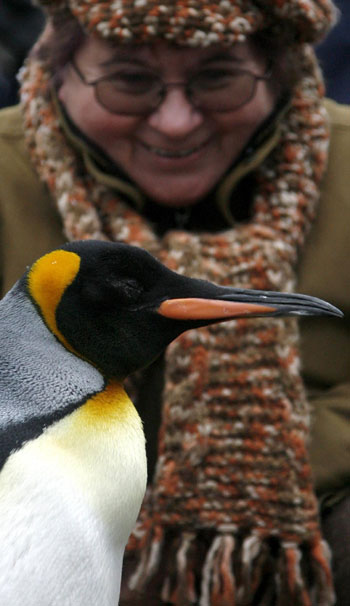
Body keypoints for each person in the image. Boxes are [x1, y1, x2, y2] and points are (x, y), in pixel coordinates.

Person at [0, 1, 349, 605]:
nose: (177, 120)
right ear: (59, 70)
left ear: (280, 70)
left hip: (303, 537)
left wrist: (251, 467)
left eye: (218, 78)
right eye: (130, 81)